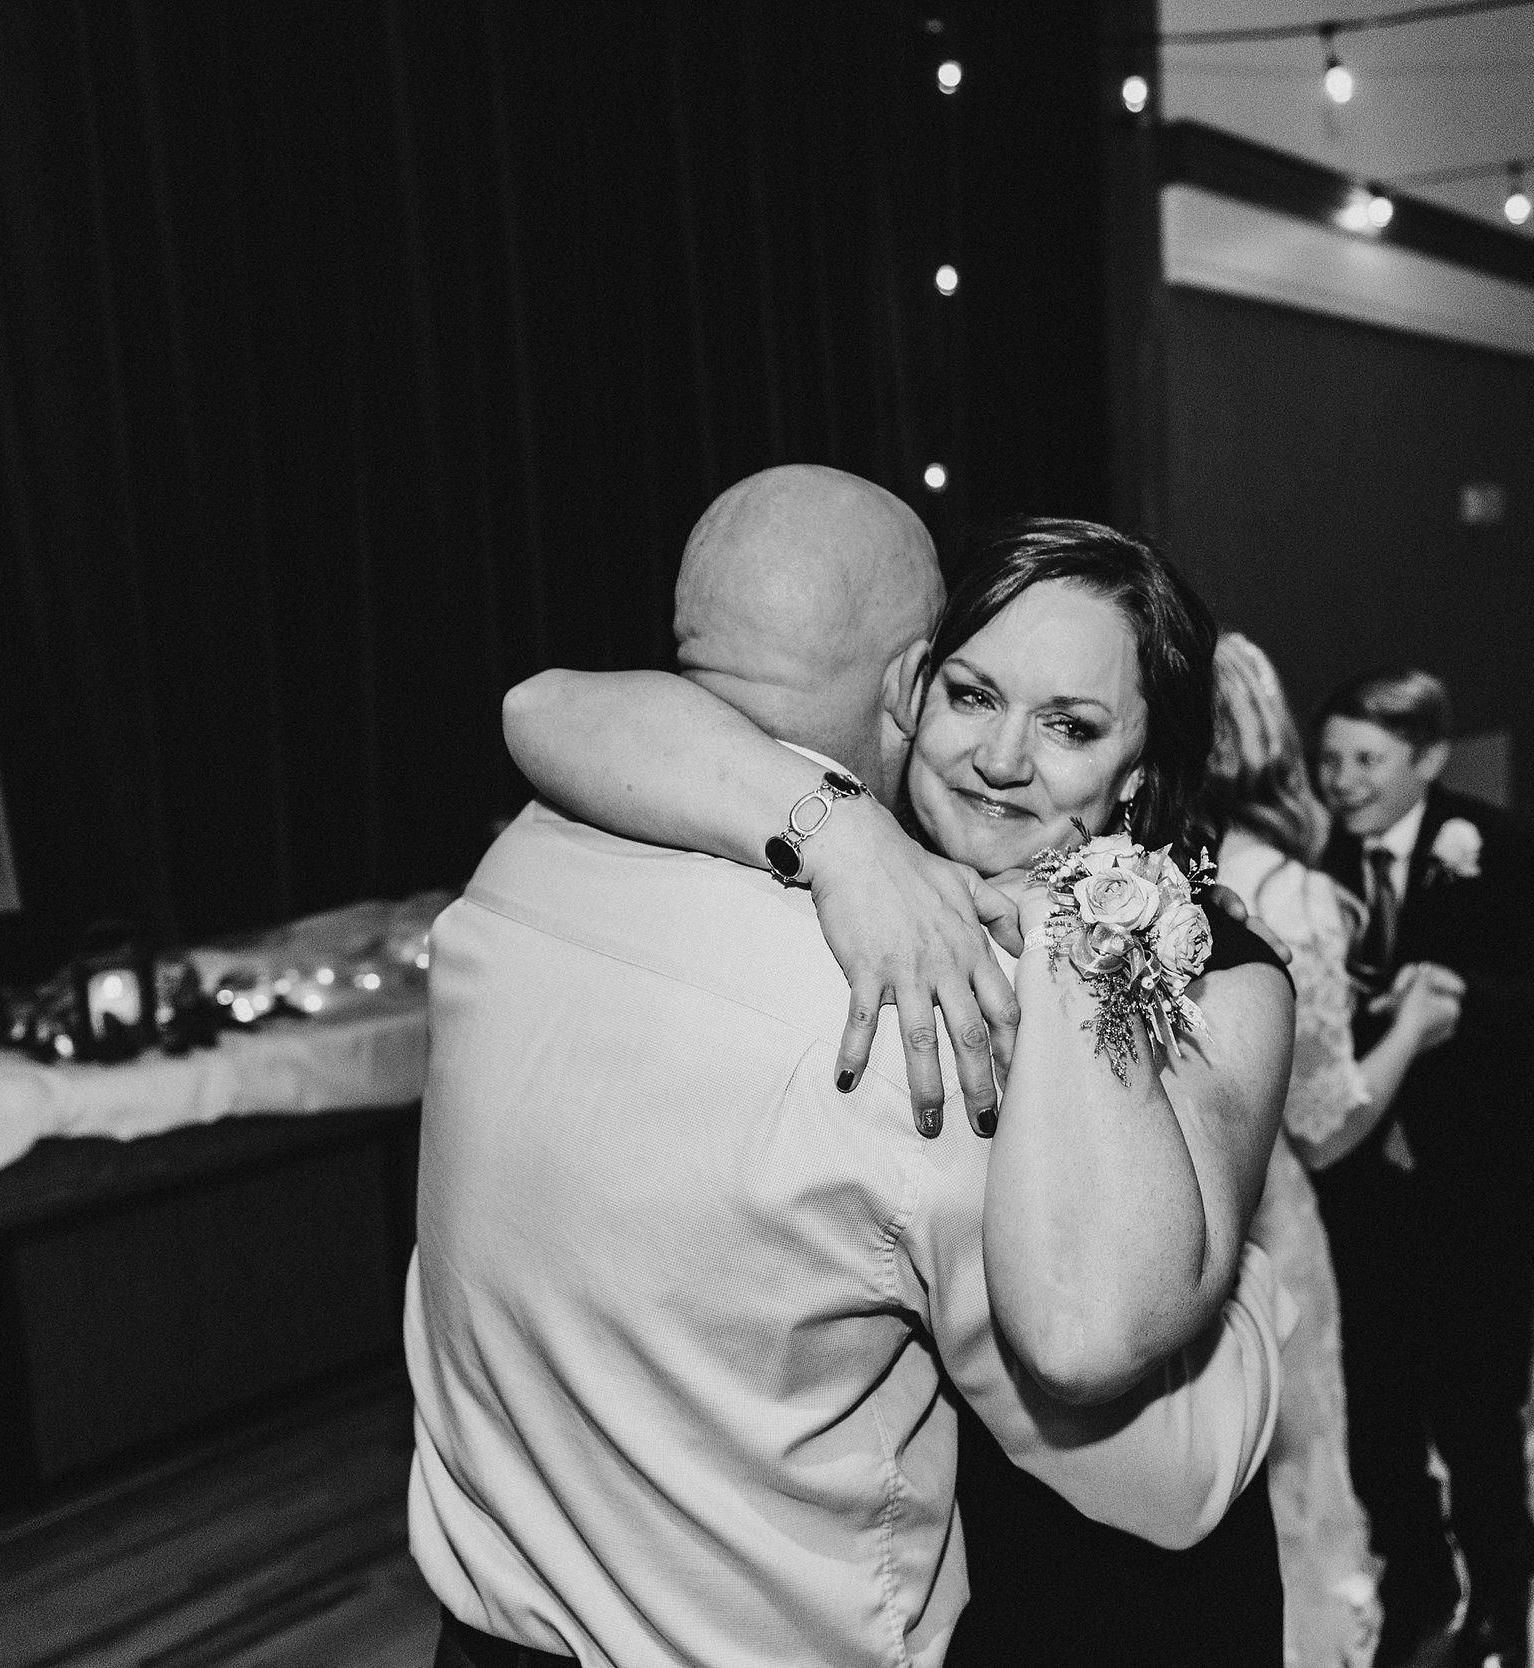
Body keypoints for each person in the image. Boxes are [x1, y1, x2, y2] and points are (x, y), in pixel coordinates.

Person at [411, 469, 1294, 1668]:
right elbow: (550, 707)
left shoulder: (1221, 975)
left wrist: (1247, 1271)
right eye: (971, 695)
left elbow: (1163, 1430)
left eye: (1071, 725)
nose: (1000, 758)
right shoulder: (889, 951)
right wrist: (845, 837)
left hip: (1115, 1605)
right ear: (910, 691)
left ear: (1139, 767)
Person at [1205, 633, 1468, 1667]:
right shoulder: (1286, 895)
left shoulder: (1125, 879)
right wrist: (1419, 1027)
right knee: (1297, 1464)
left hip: (1172, 1216)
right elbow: (1326, 1128)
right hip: (1271, 1220)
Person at [1310, 669, 1534, 1668]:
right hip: (1360, 1192)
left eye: (1366, 760)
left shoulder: (1509, 849)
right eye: (1330, 759)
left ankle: (1503, 1607)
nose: (1342, 782)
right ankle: (1418, 1579)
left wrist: (1464, 996)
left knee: (1477, 1419)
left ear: (1428, 759)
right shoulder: (1313, 860)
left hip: (1478, 1190)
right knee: (1375, 1413)